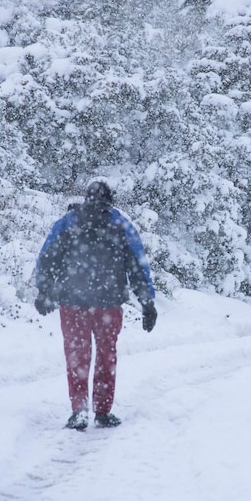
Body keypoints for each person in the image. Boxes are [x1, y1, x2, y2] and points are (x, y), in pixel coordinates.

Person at [34, 181, 157, 430]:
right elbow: (137, 265)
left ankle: (79, 411)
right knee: (106, 356)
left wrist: (44, 291)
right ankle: (102, 412)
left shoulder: (68, 222)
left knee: (77, 357)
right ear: (110, 200)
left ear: (86, 198)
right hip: (108, 305)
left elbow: (48, 257)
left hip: (73, 303)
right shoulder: (121, 224)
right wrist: (147, 303)